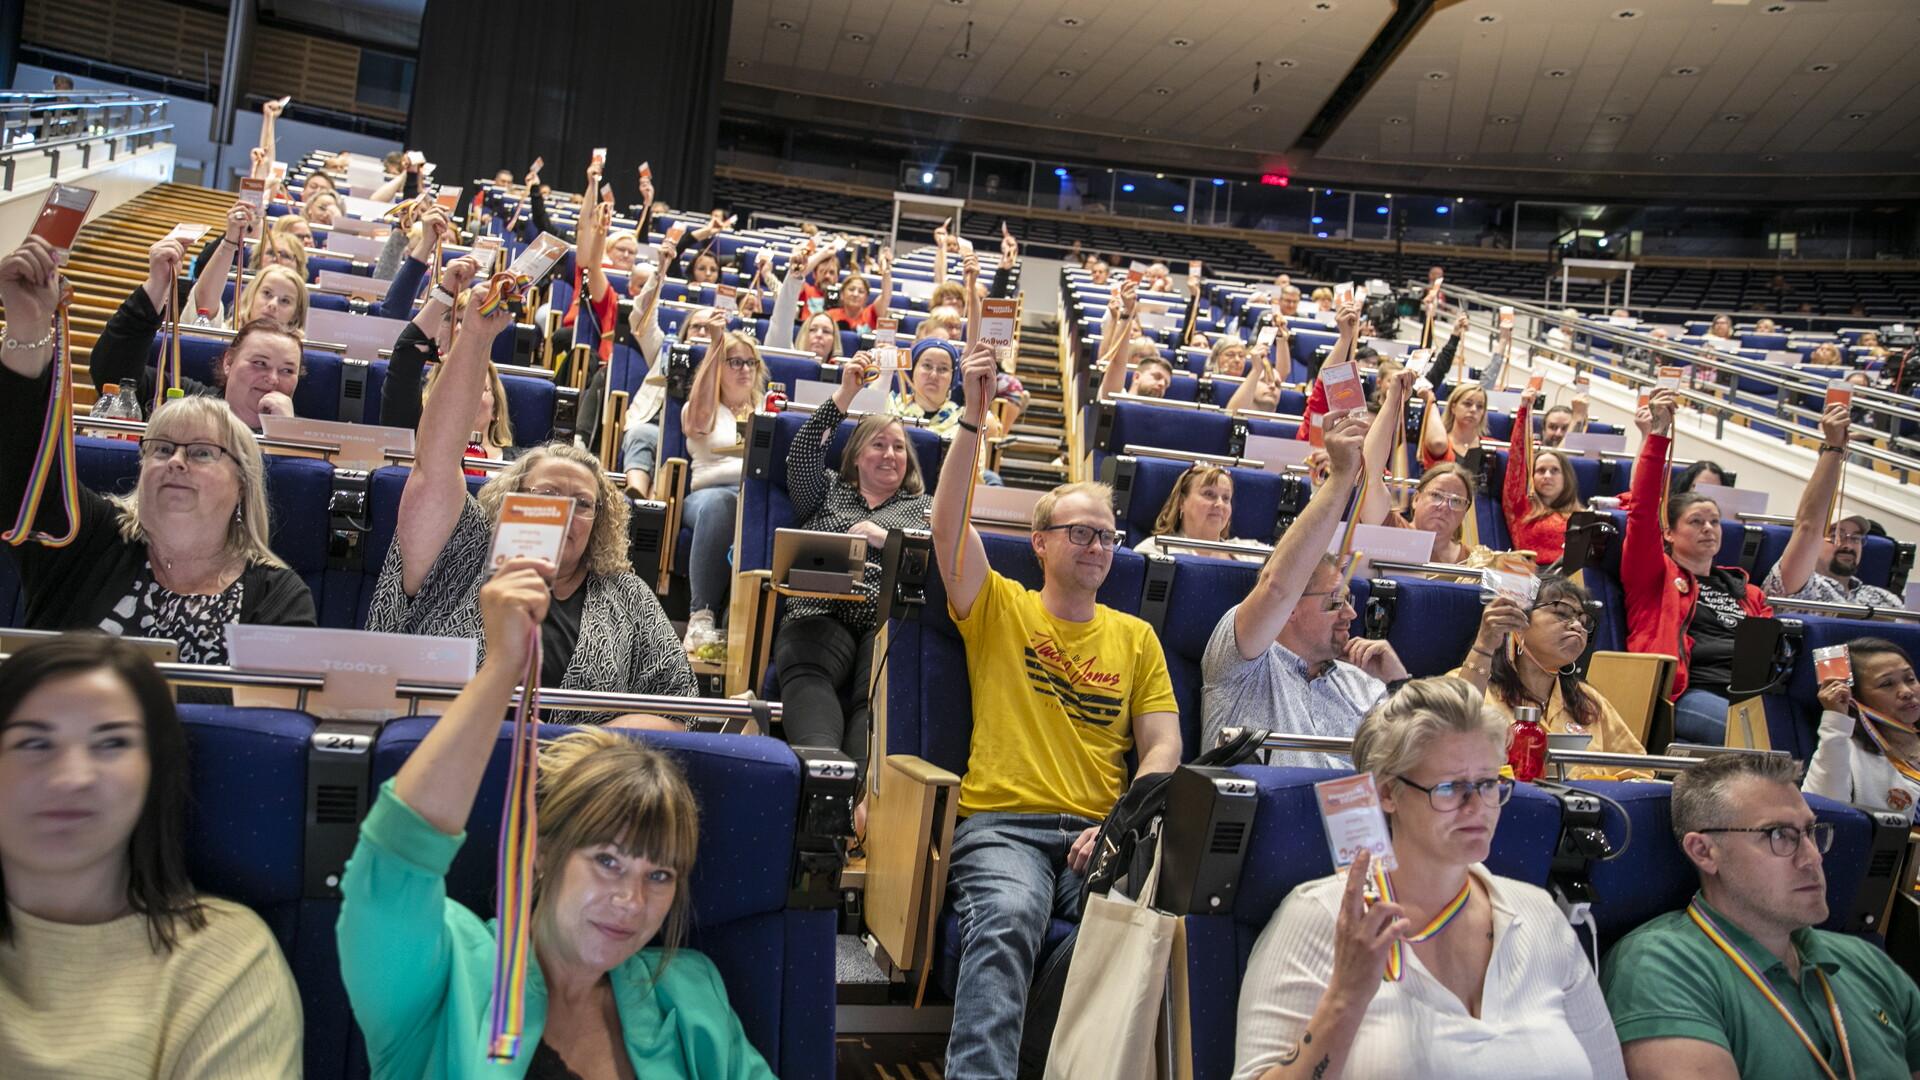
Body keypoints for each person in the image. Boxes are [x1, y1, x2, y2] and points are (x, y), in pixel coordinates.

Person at [337, 567, 775, 1079]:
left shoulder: (690, 994)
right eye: (607, 861)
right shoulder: (451, 971)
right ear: (543, 851)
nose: (632, 902)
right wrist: (502, 667)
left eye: (659, 875)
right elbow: (397, 856)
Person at [929, 340, 1182, 1080]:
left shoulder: (1136, 637)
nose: (1098, 545)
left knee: (1139, 924)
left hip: (1099, 832)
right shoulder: (1000, 606)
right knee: (1009, 918)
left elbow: (1163, 746)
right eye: (1080, 532)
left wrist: (1121, 822)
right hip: (1003, 824)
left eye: (1106, 535)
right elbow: (947, 530)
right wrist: (972, 425)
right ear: (1039, 544)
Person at [1233, 677, 1626, 1080]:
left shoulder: (1539, 915)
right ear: (1387, 793)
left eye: (1488, 784)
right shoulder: (1321, 916)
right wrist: (1344, 1000)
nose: (1478, 807)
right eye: (1451, 787)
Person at [362, 285, 694, 726]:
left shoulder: (626, 594)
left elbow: (678, 704)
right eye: (548, 495)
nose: (564, 513)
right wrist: (477, 338)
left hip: (569, 783)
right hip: (433, 756)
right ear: (511, 500)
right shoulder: (461, 549)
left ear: (598, 523)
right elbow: (435, 463)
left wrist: (577, 750)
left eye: (582, 503)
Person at [0, 634, 304, 1076]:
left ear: (154, 773)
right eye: (34, 743)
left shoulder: (224, 963)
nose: (71, 777)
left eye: (112, 743)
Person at [2, 237, 316, 659]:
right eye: (162, 448)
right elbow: (19, 467)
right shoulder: (89, 539)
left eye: (202, 452)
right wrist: (27, 328)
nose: (177, 462)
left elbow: (265, 718)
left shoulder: (277, 597)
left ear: (243, 482)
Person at [1201, 410, 1525, 763]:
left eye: (1349, 599)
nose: (1352, 613)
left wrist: (1397, 681)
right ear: (1290, 607)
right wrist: (1341, 477)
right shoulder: (1243, 660)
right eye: (1335, 602)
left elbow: (1433, 757)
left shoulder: (1362, 682)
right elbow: (1277, 584)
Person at [1601, 753, 1920, 1079]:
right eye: (1780, 835)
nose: (1812, 858)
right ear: (1704, 851)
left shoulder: (1864, 959)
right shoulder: (1661, 964)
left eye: (1810, 831)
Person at [772, 356, 931, 786]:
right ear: (856, 455)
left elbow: (941, 559)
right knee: (808, 666)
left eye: (899, 447)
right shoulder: (824, 491)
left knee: (876, 695)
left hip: (887, 623)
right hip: (818, 613)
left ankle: (858, 797)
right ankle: (825, 776)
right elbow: (802, 451)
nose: (890, 454)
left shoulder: (924, 509)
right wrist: (845, 395)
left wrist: (886, 539)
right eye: (878, 445)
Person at [1622, 388, 1775, 746]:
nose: (1708, 528)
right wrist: (1657, 436)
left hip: (1748, 693)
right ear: (1670, 534)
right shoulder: (1654, 576)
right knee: (1748, 736)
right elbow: (1643, 510)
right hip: (1687, 692)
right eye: (1696, 522)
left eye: (1715, 522)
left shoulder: (1748, 592)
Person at [1448, 574, 1652, 780]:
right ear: (1518, 622)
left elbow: (1640, 773)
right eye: (1562, 614)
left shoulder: (1590, 702)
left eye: (1583, 621)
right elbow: (1449, 741)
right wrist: (1484, 645)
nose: (1577, 626)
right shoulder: (1468, 682)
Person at [88, 236, 307, 427]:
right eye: (260, 363)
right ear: (228, 362)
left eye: (287, 370)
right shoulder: (187, 398)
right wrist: (157, 284)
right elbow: (115, 375)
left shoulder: (302, 439)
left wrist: (284, 434)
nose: (272, 379)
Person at [679, 320, 770, 655]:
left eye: (750, 362)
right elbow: (697, 423)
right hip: (708, 495)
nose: (744, 369)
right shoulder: (702, 406)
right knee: (722, 504)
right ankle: (700, 614)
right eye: (735, 362)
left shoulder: (767, 408)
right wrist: (716, 346)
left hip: (755, 494)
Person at [379, 256, 520, 466]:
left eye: (480, 389)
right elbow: (407, 354)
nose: (464, 398)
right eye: (449, 391)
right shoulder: (416, 441)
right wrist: (446, 291)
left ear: (496, 410)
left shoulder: (518, 466)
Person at [1804, 637, 1920, 821]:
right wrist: (1836, 721)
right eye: (1887, 684)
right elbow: (1823, 814)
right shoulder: (1844, 751)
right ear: (1854, 696)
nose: (1906, 691)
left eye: (1910, 678)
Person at [1764, 505, 1904, 610]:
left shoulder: (1884, 597)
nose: (1848, 546)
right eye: (1835, 536)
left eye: (1855, 538)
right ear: (1812, 543)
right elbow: (1807, 527)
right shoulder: (1797, 585)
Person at [1504, 395, 1584, 566]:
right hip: (1535, 580)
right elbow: (1516, 460)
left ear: (1566, 478)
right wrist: (1524, 410)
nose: (1547, 476)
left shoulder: (1582, 516)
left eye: (1555, 471)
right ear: (1531, 478)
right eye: (1540, 471)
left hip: (1577, 581)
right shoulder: (1522, 508)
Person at [1131, 463, 1265, 563]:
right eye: (1209, 494)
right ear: (1181, 503)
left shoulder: (1254, 552)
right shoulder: (1155, 551)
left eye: (1226, 498)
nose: (1220, 504)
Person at [1419, 383, 1487, 469]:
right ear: (1453, 407)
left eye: (1480, 406)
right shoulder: (1440, 442)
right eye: (1467, 404)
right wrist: (1431, 401)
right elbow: (1438, 443)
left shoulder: (1490, 447)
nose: (1474, 410)